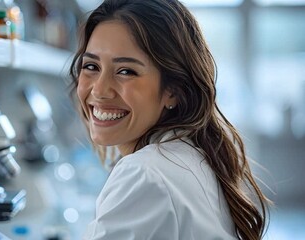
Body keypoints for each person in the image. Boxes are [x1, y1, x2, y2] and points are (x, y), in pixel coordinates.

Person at [69, 0, 270, 239]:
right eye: (91, 66)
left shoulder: (144, 173)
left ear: (173, 90)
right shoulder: (192, 153)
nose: (100, 90)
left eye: (126, 71)